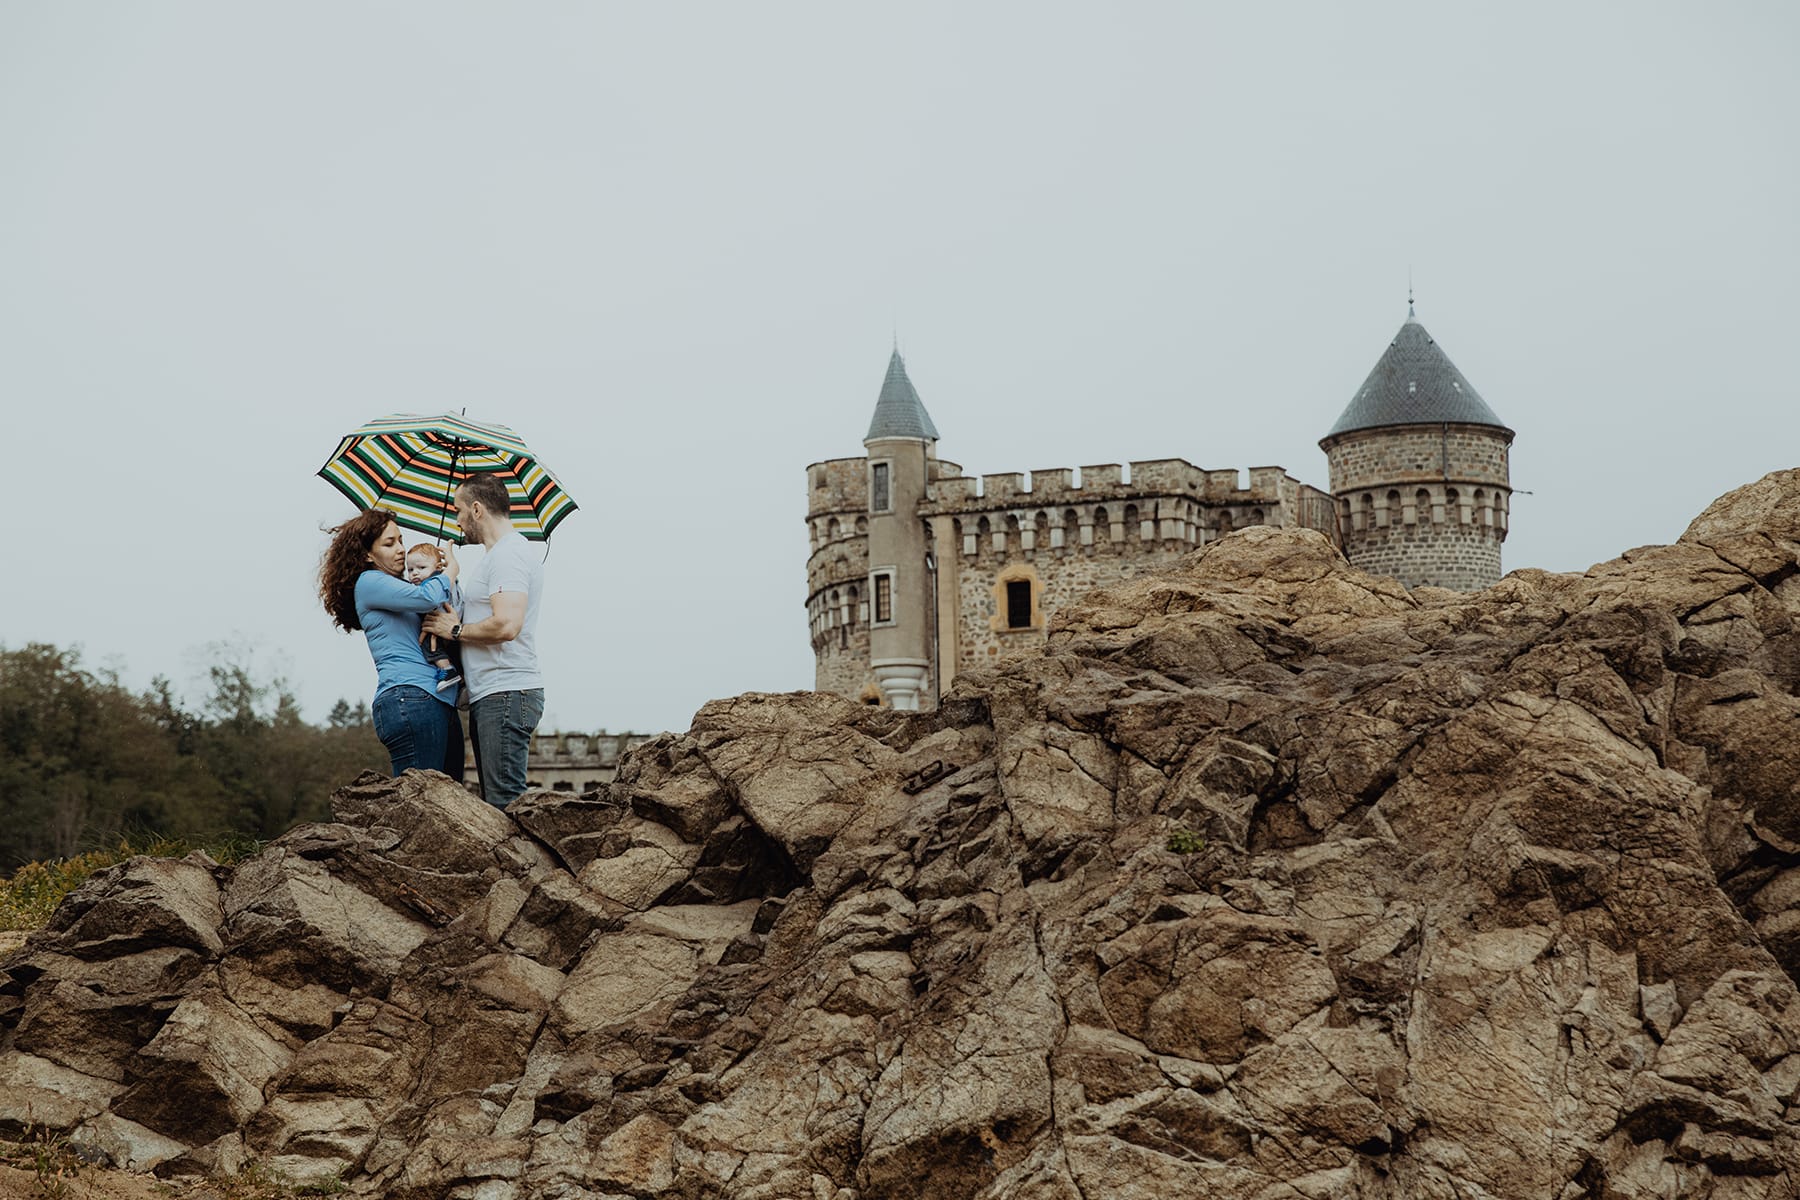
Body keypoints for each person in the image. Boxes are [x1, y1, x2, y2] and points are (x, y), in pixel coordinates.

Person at [422, 473, 543, 808]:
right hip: (494, 693)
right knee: (497, 801)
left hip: (505, 692)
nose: (457, 520)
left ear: (477, 510)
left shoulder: (509, 555)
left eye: (459, 510)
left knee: (505, 805)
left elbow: (506, 624)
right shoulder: (498, 557)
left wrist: (455, 631)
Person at [318, 508, 464, 779]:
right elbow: (427, 599)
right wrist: (449, 572)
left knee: (449, 805)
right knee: (423, 802)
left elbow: (438, 608)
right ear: (367, 554)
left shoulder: (405, 590)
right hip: (410, 697)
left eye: (400, 540)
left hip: (439, 699)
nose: (401, 549)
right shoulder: (370, 581)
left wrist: (437, 583)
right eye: (389, 543)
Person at [404, 543, 463, 692]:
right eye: (410, 570)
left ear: (437, 567)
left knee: (427, 642)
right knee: (455, 654)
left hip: (440, 623)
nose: (415, 573)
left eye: (421, 568)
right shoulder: (449, 580)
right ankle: (462, 682)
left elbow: (426, 600)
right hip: (455, 623)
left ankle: (447, 670)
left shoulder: (434, 582)